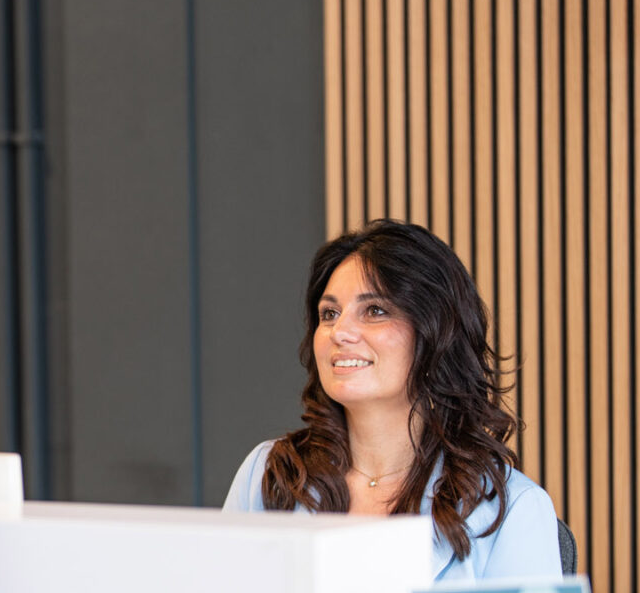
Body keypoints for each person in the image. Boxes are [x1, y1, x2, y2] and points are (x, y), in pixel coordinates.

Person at [223, 219, 562, 582]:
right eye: (329, 314)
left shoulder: (513, 508)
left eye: (375, 311)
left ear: (433, 334)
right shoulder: (266, 475)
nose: (341, 332)